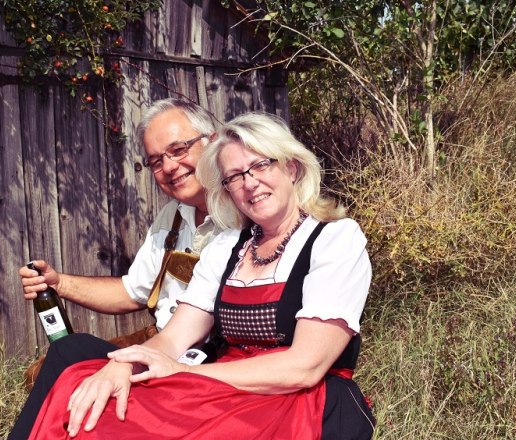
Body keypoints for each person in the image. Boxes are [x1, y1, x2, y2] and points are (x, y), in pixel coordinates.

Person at [22, 112, 376, 439]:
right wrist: (123, 364)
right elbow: (174, 337)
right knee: (83, 375)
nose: (250, 184)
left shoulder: (334, 239)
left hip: (298, 397)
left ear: (293, 168)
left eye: (261, 166)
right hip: (221, 384)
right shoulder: (228, 245)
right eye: (235, 177)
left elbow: (305, 367)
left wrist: (182, 374)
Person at [7, 98, 220, 439]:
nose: (170, 167)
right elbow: (130, 291)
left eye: (179, 149)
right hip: (162, 342)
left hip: (208, 354)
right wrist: (58, 282)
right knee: (68, 349)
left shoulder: (242, 213)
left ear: (213, 141)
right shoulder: (174, 218)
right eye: (155, 161)